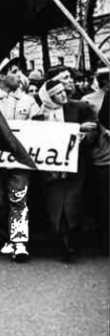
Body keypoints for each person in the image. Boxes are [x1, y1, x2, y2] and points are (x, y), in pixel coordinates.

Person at [35, 79, 98, 262]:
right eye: (58, 93)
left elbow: (93, 130)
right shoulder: (39, 115)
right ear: (49, 96)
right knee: (56, 208)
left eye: (64, 91)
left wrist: (83, 137)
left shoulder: (79, 107)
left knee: (72, 205)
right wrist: (76, 129)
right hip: (51, 170)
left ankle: (73, 243)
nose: (64, 95)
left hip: (75, 167)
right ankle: (62, 244)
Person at [0, 59, 40, 262]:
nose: (19, 75)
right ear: (1, 76)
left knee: (19, 199)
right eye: (14, 71)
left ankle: (19, 243)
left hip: (20, 162)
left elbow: (40, 127)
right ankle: (6, 238)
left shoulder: (28, 101)